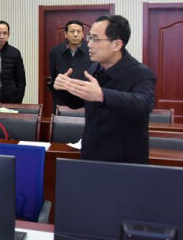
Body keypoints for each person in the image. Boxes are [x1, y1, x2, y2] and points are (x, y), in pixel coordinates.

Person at [54, 15, 155, 163]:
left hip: (124, 161)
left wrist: (102, 95)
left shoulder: (141, 73)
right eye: (90, 37)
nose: (89, 44)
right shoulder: (94, 68)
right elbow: (77, 103)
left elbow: (143, 104)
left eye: (95, 39)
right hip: (91, 154)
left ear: (116, 44)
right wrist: (63, 88)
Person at [48, 20, 92, 112]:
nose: (75, 34)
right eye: (72, 31)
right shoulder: (55, 52)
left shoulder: (91, 51)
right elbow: (53, 77)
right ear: (65, 34)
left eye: (79, 31)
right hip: (61, 102)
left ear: (83, 34)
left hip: (86, 102)